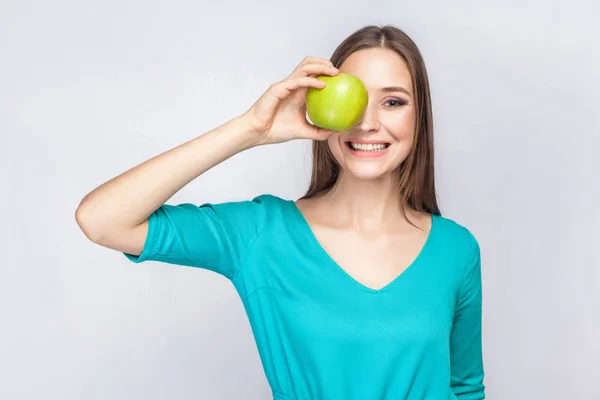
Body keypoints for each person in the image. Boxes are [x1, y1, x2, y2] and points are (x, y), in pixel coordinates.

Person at [76, 24, 485, 400]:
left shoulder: (456, 248)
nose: (367, 123)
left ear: (420, 117)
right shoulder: (262, 234)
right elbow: (102, 219)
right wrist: (251, 129)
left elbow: (465, 389)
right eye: (354, 98)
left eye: (393, 102)